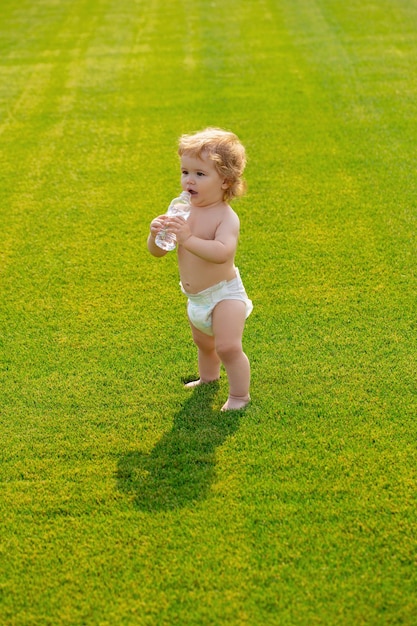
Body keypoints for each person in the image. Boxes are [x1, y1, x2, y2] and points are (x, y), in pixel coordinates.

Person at [147, 128, 253, 411]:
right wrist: (155, 234)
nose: (188, 180)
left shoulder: (225, 217)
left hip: (224, 295)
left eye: (200, 174)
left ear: (225, 181)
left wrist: (189, 239)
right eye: (185, 172)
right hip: (196, 299)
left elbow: (223, 253)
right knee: (204, 345)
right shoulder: (182, 210)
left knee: (227, 347)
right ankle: (208, 378)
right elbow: (159, 251)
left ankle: (240, 396)